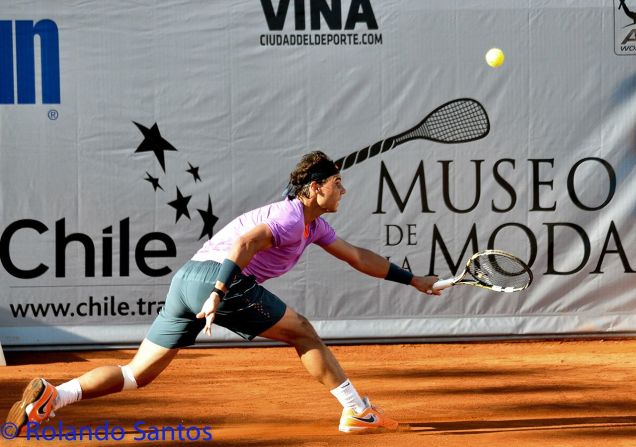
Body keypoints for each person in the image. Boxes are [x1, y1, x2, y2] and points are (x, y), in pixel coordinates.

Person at [6, 151, 441, 436]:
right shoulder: (290, 217)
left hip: (186, 279)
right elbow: (244, 246)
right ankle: (357, 410)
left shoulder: (314, 226)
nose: (343, 190)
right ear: (314, 188)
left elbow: (358, 256)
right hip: (218, 278)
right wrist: (218, 291)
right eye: (337, 183)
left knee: (138, 375)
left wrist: (412, 279)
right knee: (303, 332)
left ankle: (54, 396)